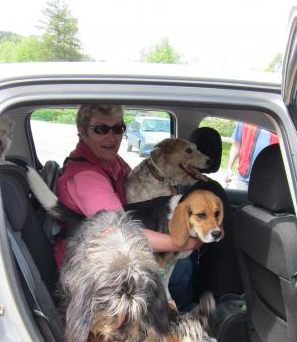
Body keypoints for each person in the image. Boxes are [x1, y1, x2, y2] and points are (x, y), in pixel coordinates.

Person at [54, 104, 201, 312]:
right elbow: (122, 231)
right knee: (183, 267)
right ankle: (182, 320)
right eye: (101, 129)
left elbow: (136, 189)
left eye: (118, 129)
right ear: (81, 130)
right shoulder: (86, 177)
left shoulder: (111, 160)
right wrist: (183, 242)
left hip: (115, 247)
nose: (111, 138)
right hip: (94, 268)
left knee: (179, 263)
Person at [225, 122, 278, 190]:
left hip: (269, 179)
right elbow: (236, 145)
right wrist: (229, 168)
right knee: (242, 199)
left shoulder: (275, 121)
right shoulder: (245, 119)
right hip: (244, 177)